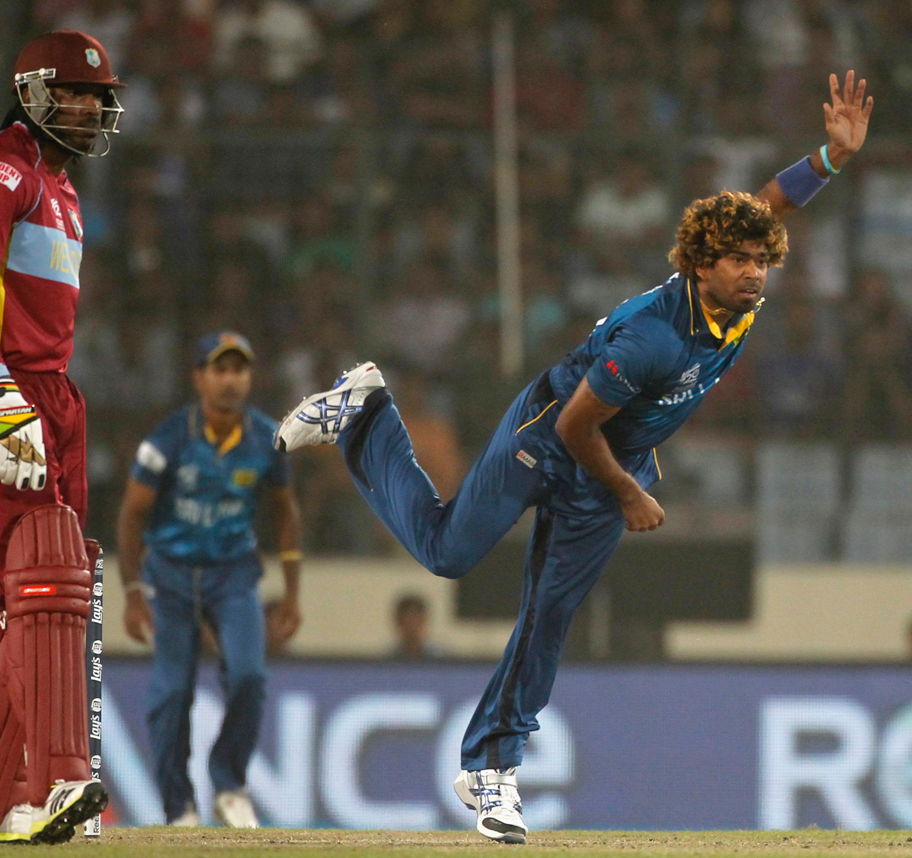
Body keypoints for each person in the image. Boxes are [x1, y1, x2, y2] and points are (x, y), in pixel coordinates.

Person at [274, 72, 873, 843]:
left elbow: (769, 201)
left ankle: (492, 767)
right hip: (551, 437)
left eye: (764, 259)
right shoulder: (652, 338)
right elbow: (576, 430)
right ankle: (363, 414)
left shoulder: (738, 298)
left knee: (548, 615)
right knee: (450, 554)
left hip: (610, 465)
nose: (757, 270)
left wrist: (832, 154)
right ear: (701, 262)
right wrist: (629, 492)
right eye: (741, 260)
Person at [0, 30, 124, 846]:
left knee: (51, 590)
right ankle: (56, 780)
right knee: (41, 581)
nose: (87, 108)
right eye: (73, 93)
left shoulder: (64, 187)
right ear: (34, 93)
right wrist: (1, 392)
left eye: (96, 96)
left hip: (52, 391)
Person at [117, 331, 302, 828]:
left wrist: (292, 593)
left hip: (233, 574)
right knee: (173, 693)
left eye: (239, 370)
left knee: (249, 676)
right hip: (171, 577)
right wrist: (133, 593)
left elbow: (286, 513)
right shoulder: (168, 439)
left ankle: (229, 784)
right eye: (219, 370)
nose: (230, 380)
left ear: (250, 377)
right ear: (199, 378)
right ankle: (179, 807)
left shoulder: (268, 439)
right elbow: (132, 516)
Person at [389, 593, 443, 660]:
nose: (411, 628)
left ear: (423, 621)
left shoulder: (441, 660)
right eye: (407, 623)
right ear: (399, 624)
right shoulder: (386, 662)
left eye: (415, 622)